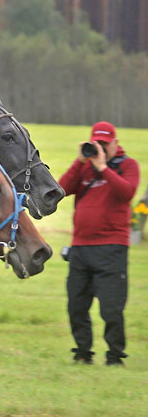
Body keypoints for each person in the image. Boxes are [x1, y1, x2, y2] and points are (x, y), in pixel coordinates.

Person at [58, 121, 140, 366]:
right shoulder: (84, 168)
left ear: (116, 143)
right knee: (76, 305)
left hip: (112, 248)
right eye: (97, 143)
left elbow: (127, 192)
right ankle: (83, 353)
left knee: (111, 309)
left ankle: (115, 356)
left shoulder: (128, 165)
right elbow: (62, 187)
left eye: (105, 144)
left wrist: (103, 167)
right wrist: (80, 161)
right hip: (80, 247)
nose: (101, 148)